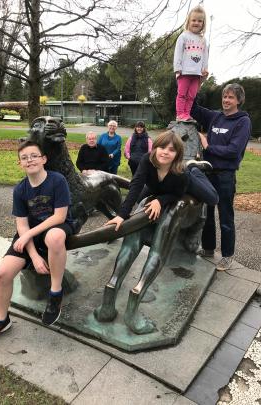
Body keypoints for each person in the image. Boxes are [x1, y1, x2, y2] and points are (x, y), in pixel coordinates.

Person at [94, 130, 218, 333]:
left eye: (172, 150)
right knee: (133, 233)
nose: (166, 152)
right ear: (155, 148)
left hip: (184, 184)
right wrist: (122, 216)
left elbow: (177, 194)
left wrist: (160, 200)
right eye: (162, 147)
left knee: (212, 199)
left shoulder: (181, 173)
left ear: (177, 154)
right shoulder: (147, 161)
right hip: (155, 189)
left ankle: (196, 167)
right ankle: (108, 303)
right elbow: (135, 186)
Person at [0, 140, 75, 349]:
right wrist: (35, 255)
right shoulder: (20, 189)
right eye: (24, 157)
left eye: (34, 155)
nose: (29, 160)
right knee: (3, 273)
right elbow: (21, 224)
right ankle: (2, 320)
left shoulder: (57, 181)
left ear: (43, 159)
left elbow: (59, 216)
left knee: (54, 237)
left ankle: (55, 293)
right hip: (28, 235)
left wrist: (30, 234)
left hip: (55, 226)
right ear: (19, 163)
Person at [191, 83, 252, 271]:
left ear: (238, 101)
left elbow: (234, 151)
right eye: (225, 96)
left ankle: (227, 256)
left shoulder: (243, 122)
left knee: (225, 216)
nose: (226, 100)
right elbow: (192, 107)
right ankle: (208, 248)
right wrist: (197, 82)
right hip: (207, 172)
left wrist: (208, 147)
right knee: (207, 214)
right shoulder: (215, 116)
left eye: (231, 97)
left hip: (225, 176)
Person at [173, 5, 209, 121]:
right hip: (184, 72)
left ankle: (187, 114)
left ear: (203, 23)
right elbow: (177, 52)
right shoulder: (183, 36)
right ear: (188, 21)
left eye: (199, 21)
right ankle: (180, 114)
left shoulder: (203, 40)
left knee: (191, 95)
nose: (196, 23)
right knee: (182, 94)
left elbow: (205, 56)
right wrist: (177, 67)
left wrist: (205, 69)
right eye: (194, 20)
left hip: (197, 74)